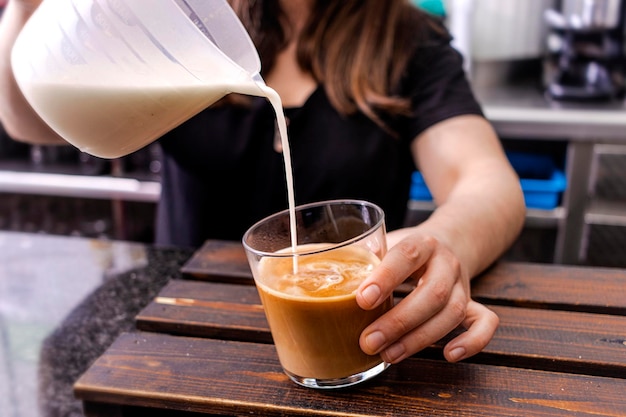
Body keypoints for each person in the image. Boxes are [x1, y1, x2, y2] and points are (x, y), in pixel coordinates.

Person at [1, 0, 525, 369]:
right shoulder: (178, 27)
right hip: (175, 328)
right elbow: (30, 122)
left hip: (354, 330)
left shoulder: (409, 40)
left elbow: (485, 181)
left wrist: (443, 242)